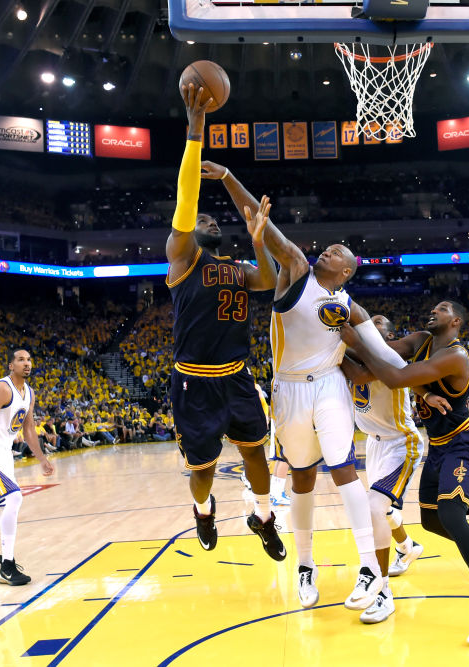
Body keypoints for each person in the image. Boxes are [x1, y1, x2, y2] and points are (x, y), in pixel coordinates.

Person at [200, 157, 386, 613]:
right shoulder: (297, 270)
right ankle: (305, 565)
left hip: (329, 386)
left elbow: (386, 356)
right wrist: (229, 178)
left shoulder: (351, 306)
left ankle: (369, 567)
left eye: (337, 253)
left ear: (347, 271)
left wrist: (425, 380)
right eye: (329, 248)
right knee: (301, 477)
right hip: (288, 389)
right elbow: (268, 230)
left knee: (344, 467)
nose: (328, 252)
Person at [341, 301, 469, 647]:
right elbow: (386, 356)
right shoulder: (421, 340)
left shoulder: (456, 356)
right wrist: (424, 391)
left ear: (455, 321)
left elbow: (395, 377)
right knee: (432, 522)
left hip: (464, 440)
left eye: (441, 309)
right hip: (438, 444)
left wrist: (349, 338)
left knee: (452, 516)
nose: (433, 311)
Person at [166, 83, 286, 563]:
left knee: (256, 453)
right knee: (204, 471)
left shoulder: (237, 267)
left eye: (216, 220)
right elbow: (185, 201)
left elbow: (269, 280)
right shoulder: (183, 258)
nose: (211, 222)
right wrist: (195, 132)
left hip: (236, 377)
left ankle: (264, 517)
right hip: (194, 382)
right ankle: (203, 509)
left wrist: (258, 241)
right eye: (204, 220)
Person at [340, 314, 427, 624]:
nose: (367, 327)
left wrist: (336, 345)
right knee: (383, 510)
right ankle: (407, 546)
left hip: (400, 443)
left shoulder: (389, 360)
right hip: (375, 444)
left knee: (373, 508)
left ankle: (383, 592)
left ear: (389, 338)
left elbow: (359, 375)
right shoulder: (357, 353)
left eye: (376, 324)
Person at [0, 349, 55, 584]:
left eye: (29, 360)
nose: (26, 364)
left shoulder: (29, 392)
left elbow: (28, 429)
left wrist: (42, 458)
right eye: (20, 360)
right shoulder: (2, 389)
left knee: (1, 505)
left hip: (3, 451)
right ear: (11, 365)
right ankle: (7, 567)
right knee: (14, 498)